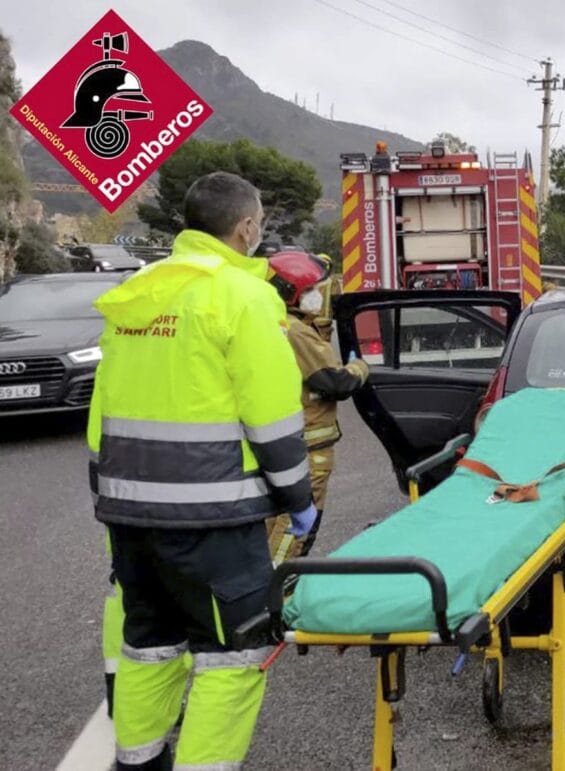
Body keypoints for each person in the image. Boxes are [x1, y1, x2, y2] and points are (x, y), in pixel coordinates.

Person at [89, 171, 314, 771]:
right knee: (234, 656)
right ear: (246, 227)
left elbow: (102, 407)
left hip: (129, 514)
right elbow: (270, 416)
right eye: (259, 221)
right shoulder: (242, 298)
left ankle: (137, 762)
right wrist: (297, 496)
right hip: (212, 517)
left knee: (149, 645)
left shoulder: (140, 289)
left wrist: (109, 491)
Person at [264, 250, 370, 562]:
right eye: (310, 290)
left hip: (282, 442)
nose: (316, 296)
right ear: (290, 292)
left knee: (275, 521)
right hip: (308, 449)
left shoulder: (277, 323)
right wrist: (360, 369)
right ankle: (275, 593)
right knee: (294, 529)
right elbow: (334, 382)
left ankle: (270, 589)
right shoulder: (296, 332)